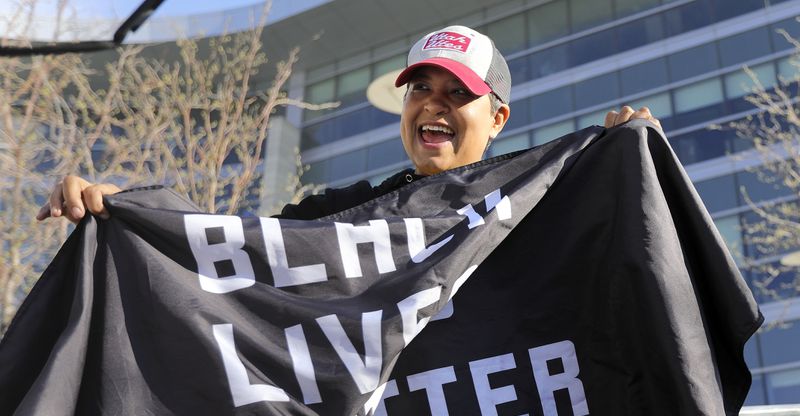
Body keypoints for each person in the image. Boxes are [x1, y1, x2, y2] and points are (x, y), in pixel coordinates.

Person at [36, 24, 660, 225]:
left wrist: (633, 167)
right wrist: (137, 210)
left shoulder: (546, 202)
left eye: (457, 93)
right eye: (421, 89)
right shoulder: (348, 214)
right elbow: (234, 245)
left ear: (497, 117)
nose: (432, 105)